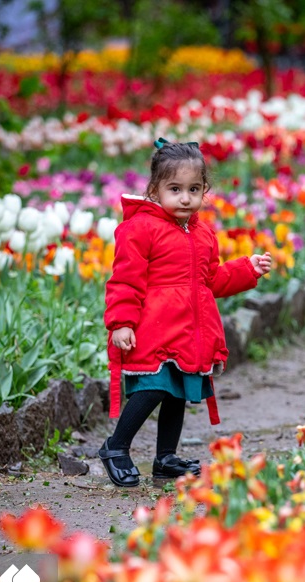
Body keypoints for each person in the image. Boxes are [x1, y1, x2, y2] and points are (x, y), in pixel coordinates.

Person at [99, 138, 273, 487]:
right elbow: (125, 280)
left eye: (194, 189)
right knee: (154, 388)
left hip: (189, 332)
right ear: (154, 189)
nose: (185, 198)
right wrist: (121, 322)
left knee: (178, 390)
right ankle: (115, 447)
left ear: (204, 190)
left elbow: (211, 281)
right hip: (154, 329)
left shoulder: (203, 233)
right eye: (175, 188)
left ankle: (164, 458)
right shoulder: (140, 229)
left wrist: (246, 269)